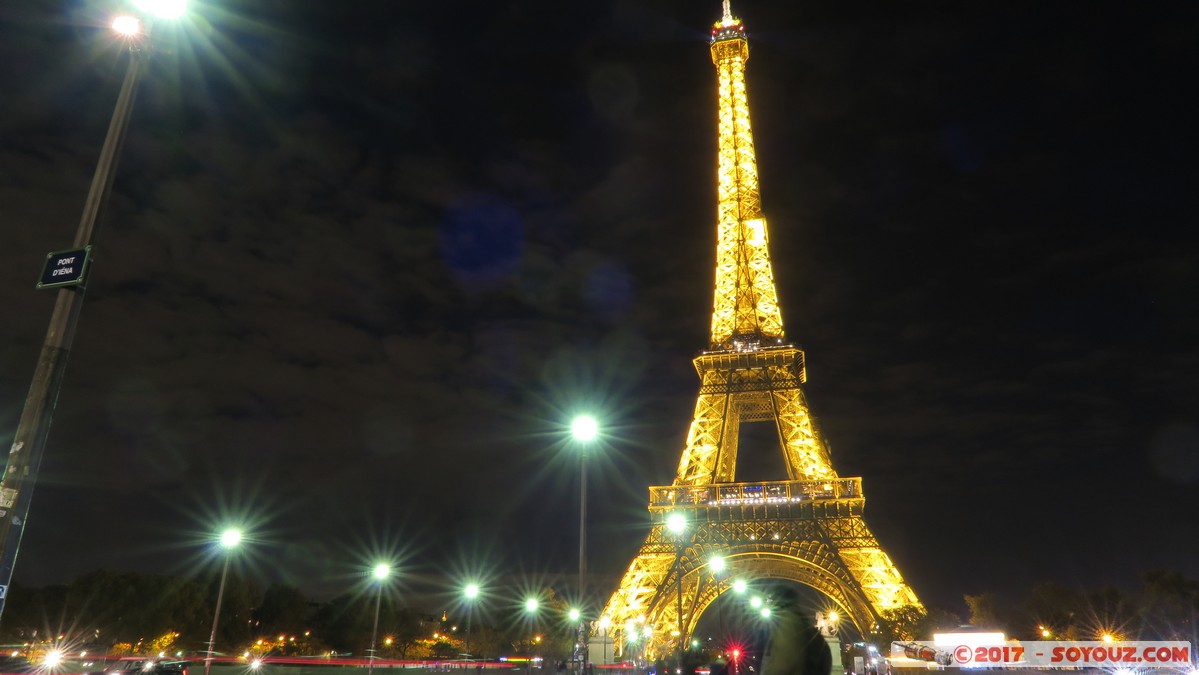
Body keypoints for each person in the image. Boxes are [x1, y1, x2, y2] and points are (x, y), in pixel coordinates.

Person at [759, 586, 832, 675]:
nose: (768, 603)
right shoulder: (804, 626)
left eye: (770, 600)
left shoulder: (787, 623)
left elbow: (784, 662)